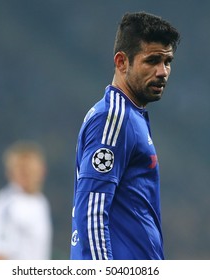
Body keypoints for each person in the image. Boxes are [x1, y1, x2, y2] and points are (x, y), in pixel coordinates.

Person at [70, 12, 180, 260]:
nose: (163, 72)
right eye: (152, 61)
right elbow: (93, 212)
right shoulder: (114, 118)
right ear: (121, 62)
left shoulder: (131, 116)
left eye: (168, 62)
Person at [0, 141, 52, 260]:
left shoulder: (41, 201)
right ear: (10, 172)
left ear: (42, 171)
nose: (27, 174)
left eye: (31, 170)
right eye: (22, 170)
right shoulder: (4, 204)